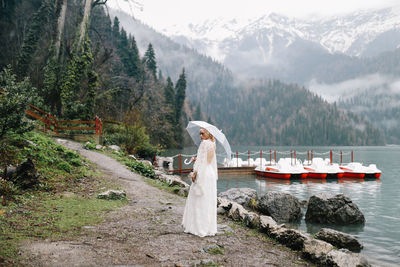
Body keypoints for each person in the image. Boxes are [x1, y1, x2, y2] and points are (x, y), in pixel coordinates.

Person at [182, 127, 218, 237]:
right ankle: (208, 227)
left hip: (203, 173)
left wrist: (195, 173)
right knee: (207, 199)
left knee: (198, 198)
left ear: (208, 134)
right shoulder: (212, 143)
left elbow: (203, 163)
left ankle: (197, 227)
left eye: (202, 134)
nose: (201, 136)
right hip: (210, 174)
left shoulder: (205, 144)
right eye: (200, 134)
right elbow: (207, 160)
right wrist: (196, 159)